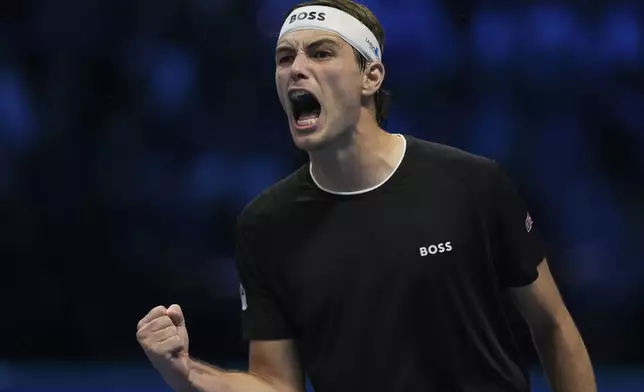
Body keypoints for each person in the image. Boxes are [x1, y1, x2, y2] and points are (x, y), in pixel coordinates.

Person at [136, 1, 597, 391]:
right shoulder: (264, 225)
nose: (297, 68)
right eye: (284, 58)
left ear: (370, 77)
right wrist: (187, 372)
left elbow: (553, 327)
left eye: (320, 53)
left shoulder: (474, 184)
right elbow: (276, 385)